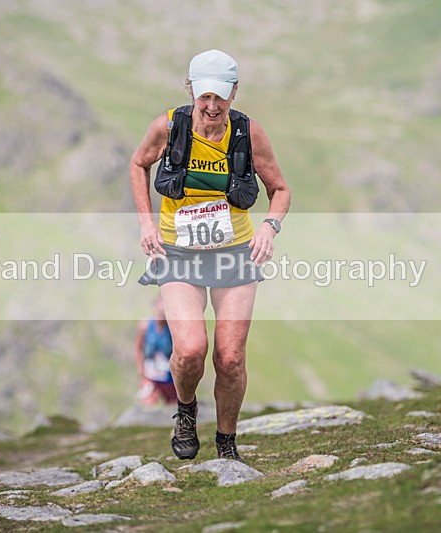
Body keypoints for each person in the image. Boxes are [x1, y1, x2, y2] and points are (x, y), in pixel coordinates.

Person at [129, 49, 291, 462]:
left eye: (220, 97)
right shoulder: (168, 127)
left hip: (235, 253)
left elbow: (280, 190)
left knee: (231, 357)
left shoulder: (248, 133)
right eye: (204, 97)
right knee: (189, 350)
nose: (213, 106)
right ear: (192, 92)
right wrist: (147, 224)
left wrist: (270, 228)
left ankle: (226, 443)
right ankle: (185, 413)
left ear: (234, 92)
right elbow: (138, 164)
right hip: (178, 251)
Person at [134, 295, 177, 406]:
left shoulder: (173, 327)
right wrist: (142, 374)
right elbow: (138, 349)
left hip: (170, 377)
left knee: (174, 408)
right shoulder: (145, 325)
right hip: (151, 376)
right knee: (147, 405)